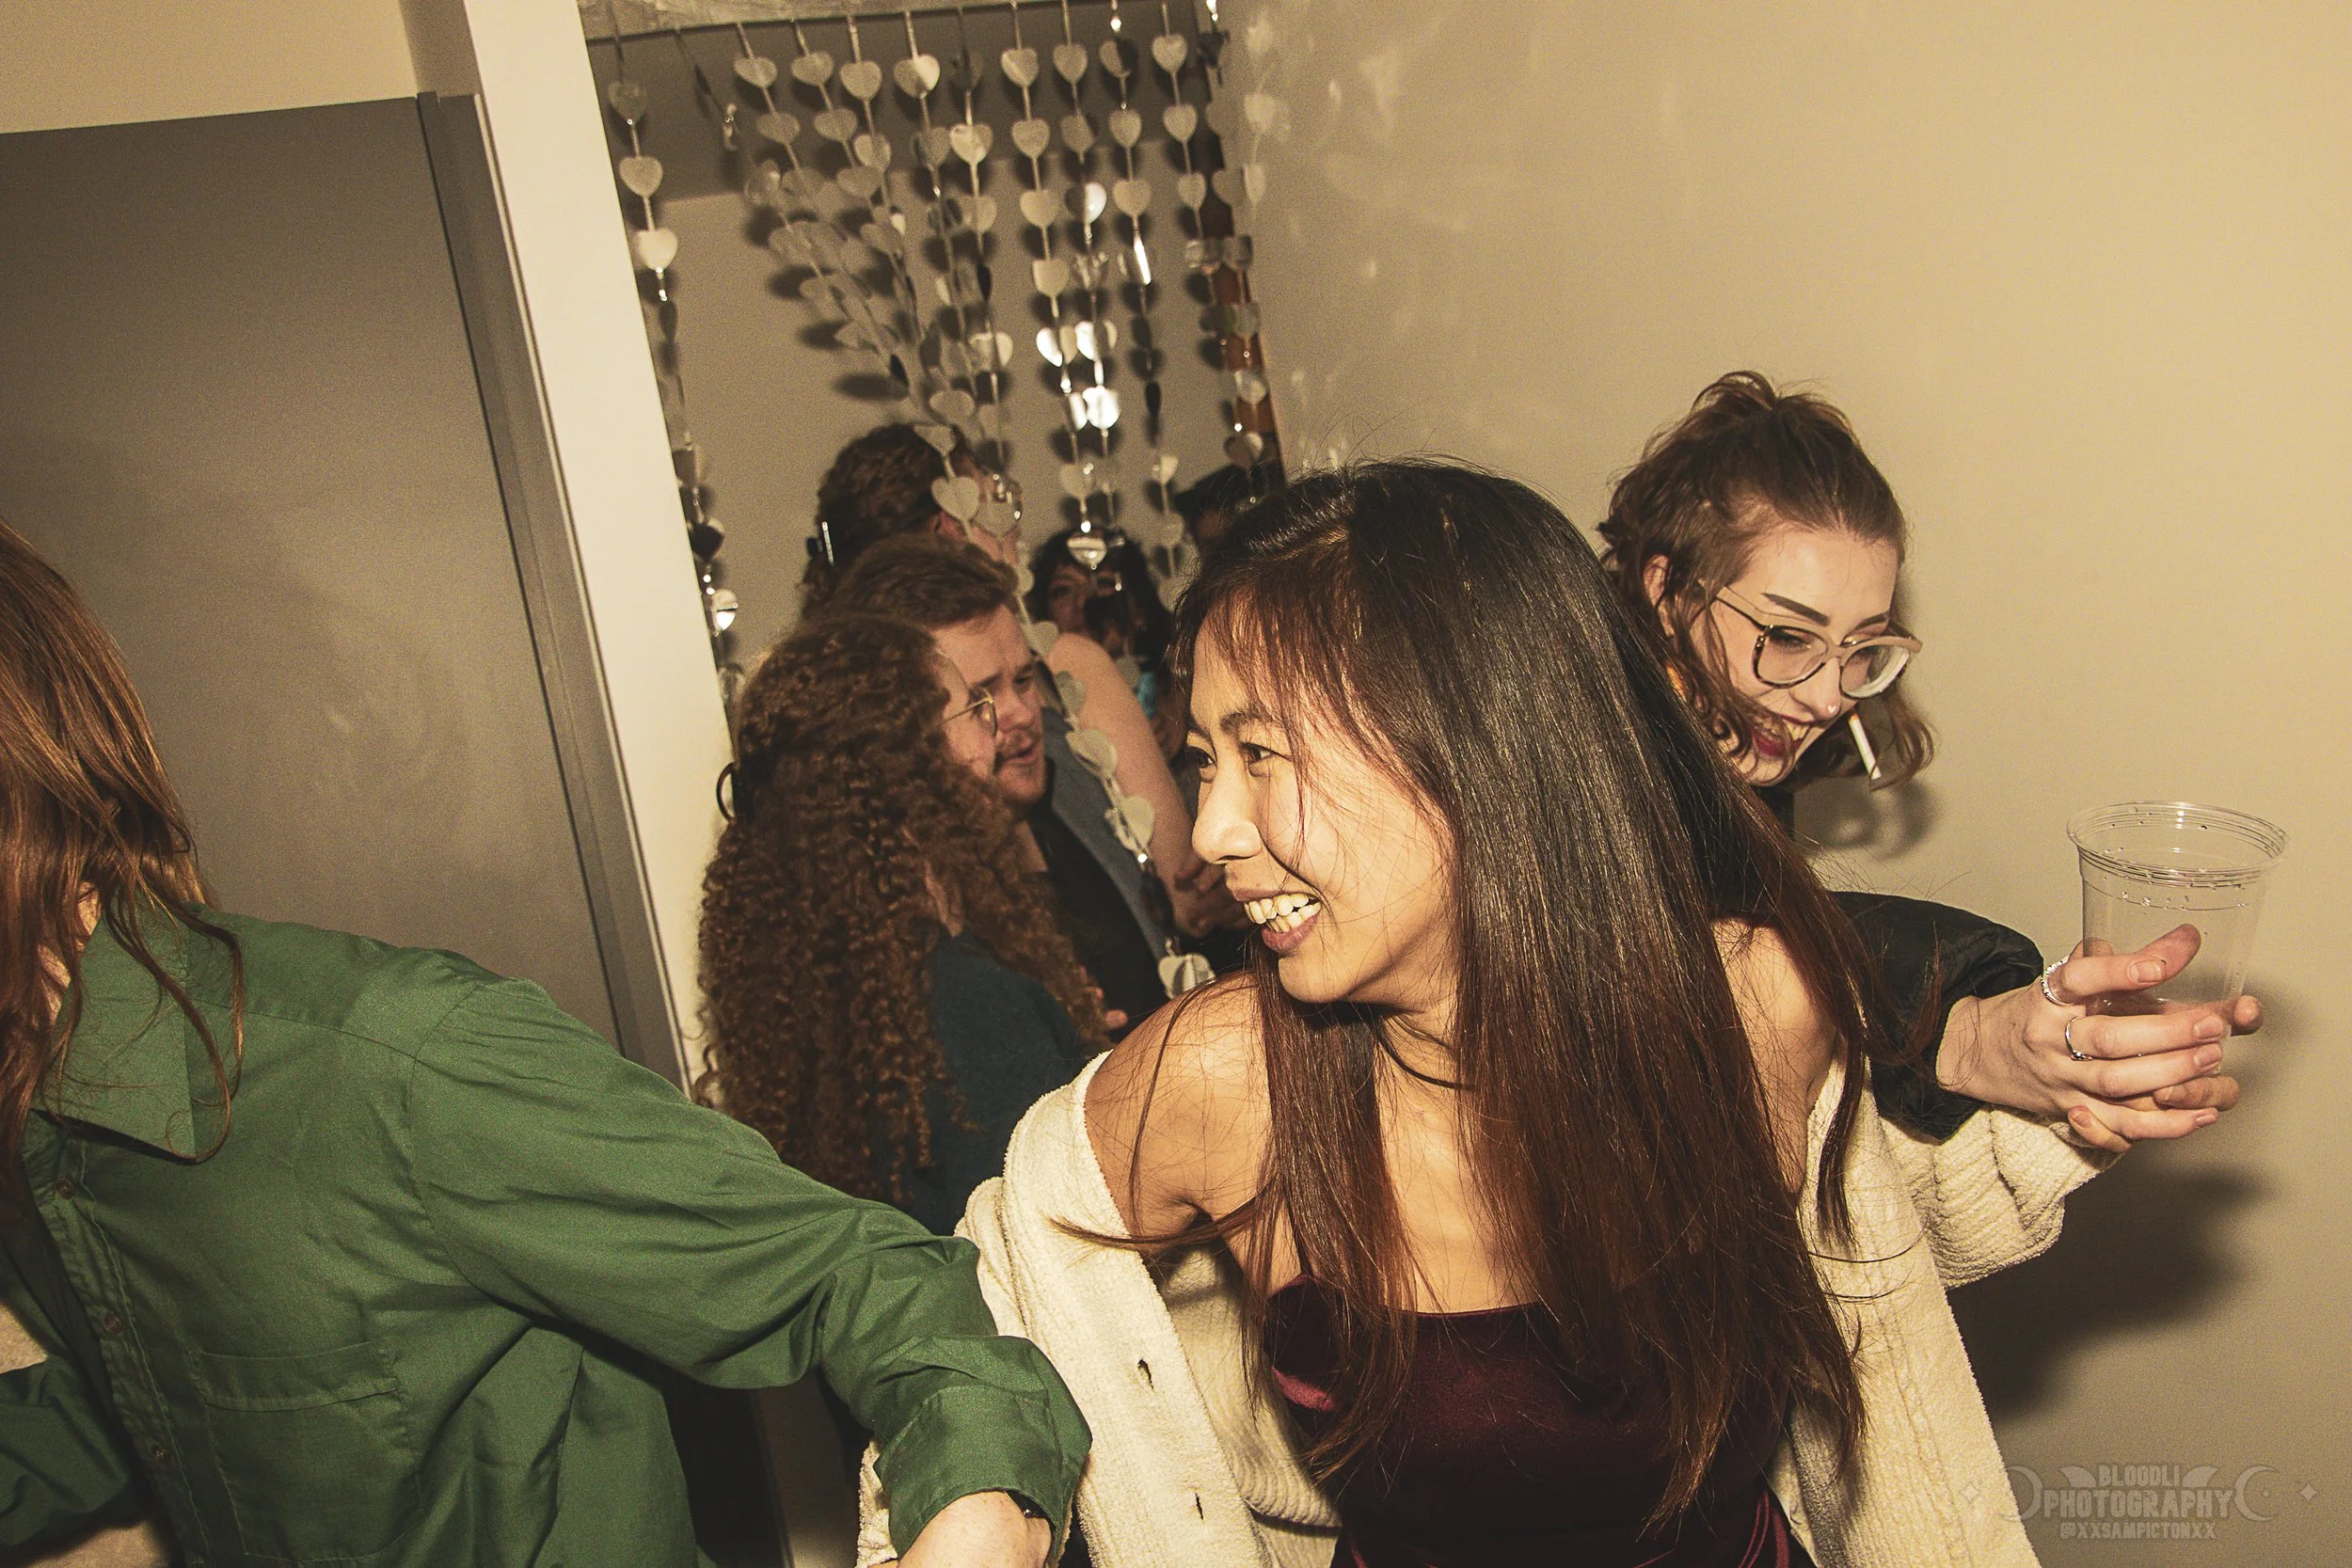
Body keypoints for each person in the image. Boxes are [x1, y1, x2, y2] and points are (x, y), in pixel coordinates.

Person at [862, 460, 2243, 1566]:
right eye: (1208, 757)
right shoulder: (1233, 1079)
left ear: (1473, 755)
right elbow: (986, 1286)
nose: (1214, 827)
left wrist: (2010, 1056)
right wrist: (977, 1494)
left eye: (1264, 753)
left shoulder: (1758, 1002)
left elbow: (1868, 1231)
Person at [0, 521, 1085, 1567]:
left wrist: (979, 1501)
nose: (1000, 728)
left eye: (1009, 691)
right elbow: (142, 1400)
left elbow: (865, 1270)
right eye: (970, 704)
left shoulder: (392, 1063)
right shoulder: (41, 1138)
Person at [1597, 371, 2249, 1153]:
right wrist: (1961, 1024)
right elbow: (1660, 944)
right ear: (1665, 588)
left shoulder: (1733, 757)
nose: (1828, 696)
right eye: (1791, 636)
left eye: (1860, 648)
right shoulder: (1561, 752)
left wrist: (1982, 1031)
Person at [699, 612, 1106, 1235]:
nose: (992, 734)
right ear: (914, 766)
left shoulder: (835, 1007)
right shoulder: (974, 1004)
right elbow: (1067, 1248)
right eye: (973, 707)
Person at [801, 424, 1222, 948]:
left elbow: (1192, 896)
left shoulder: (1065, 671)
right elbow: (1191, 902)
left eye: (1021, 682)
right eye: (996, 503)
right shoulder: (1069, 668)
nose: (1014, 530)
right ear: (948, 531)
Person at [822, 537, 1210, 1033]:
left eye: (1024, 680)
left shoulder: (1074, 779)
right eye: (978, 696)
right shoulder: (916, 906)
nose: (1020, 714)